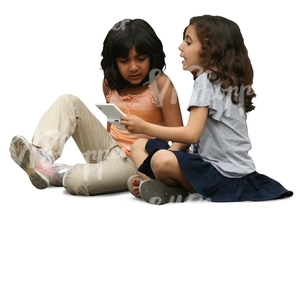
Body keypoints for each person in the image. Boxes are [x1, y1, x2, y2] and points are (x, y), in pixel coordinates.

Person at [122, 15, 294, 205]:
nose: (180, 47)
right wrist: (172, 152)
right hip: (211, 168)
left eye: (188, 42)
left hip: (224, 177)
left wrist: (144, 127)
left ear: (210, 51)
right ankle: (159, 185)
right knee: (141, 146)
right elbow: (190, 137)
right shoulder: (222, 81)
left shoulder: (206, 81)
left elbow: (192, 134)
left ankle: (158, 184)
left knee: (160, 159)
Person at [9, 18, 186, 196]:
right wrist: (104, 154)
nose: (133, 67)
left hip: (138, 161)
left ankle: (59, 173)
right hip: (109, 150)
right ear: (114, 61)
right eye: (124, 61)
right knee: (68, 100)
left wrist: (158, 166)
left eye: (141, 59)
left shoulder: (160, 84)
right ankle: (42, 156)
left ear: (151, 56)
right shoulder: (109, 84)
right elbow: (112, 124)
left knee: (75, 181)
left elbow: (181, 136)